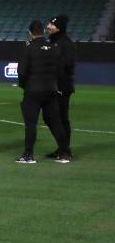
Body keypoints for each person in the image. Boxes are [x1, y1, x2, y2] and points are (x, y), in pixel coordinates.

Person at [16, 20, 66, 164]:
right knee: (56, 122)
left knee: (31, 124)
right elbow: (61, 71)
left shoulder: (28, 49)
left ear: (31, 33)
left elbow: (22, 71)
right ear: (44, 31)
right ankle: (63, 154)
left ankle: (28, 155)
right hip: (51, 90)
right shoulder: (55, 48)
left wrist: (24, 85)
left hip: (33, 91)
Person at [46, 14, 76, 161]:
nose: (48, 27)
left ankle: (65, 150)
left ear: (58, 27)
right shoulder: (54, 42)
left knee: (61, 118)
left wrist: (51, 59)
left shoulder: (66, 43)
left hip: (62, 85)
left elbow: (69, 63)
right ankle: (63, 147)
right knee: (49, 117)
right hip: (52, 85)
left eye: (51, 24)